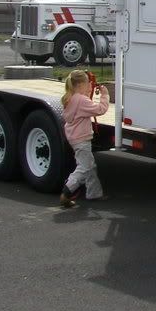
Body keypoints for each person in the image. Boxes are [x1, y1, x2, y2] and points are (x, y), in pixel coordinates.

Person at [59, 70, 110, 208]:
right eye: (88, 83)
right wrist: (105, 95)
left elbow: (83, 106)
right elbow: (100, 109)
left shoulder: (73, 98)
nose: (90, 85)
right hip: (82, 140)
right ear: (81, 84)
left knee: (90, 166)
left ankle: (94, 194)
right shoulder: (81, 101)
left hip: (75, 139)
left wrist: (88, 93)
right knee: (85, 167)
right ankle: (67, 191)